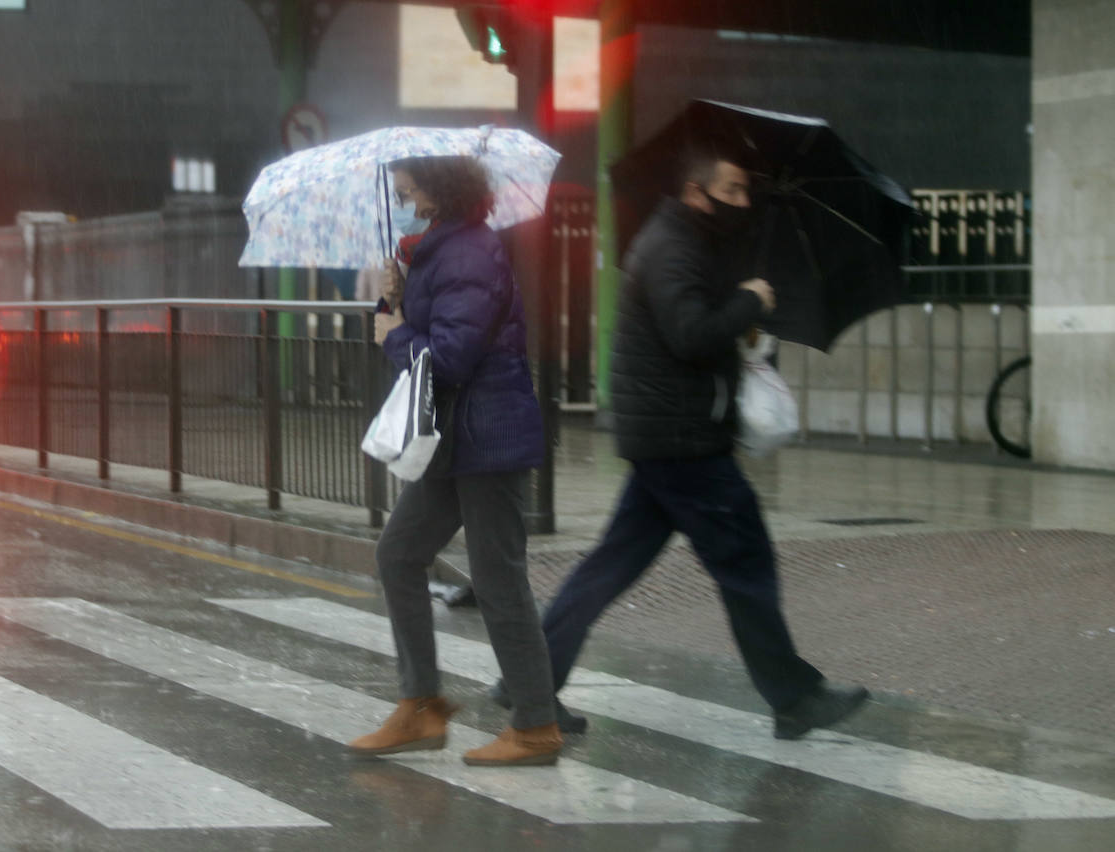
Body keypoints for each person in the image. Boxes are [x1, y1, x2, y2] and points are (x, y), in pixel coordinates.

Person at [493, 145, 869, 740]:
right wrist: (748, 300)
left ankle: (526, 685)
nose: (744, 201)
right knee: (746, 563)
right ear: (698, 192)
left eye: (748, 191)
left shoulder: (687, 243)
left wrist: (742, 308)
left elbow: (696, 327)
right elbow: (690, 335)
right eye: (735, 190)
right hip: (683, 441)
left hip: (666, 436)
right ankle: (795, 697)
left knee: (608, 569)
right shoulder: (672, 247)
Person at [346, 156, 563, 766]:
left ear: (438, 183)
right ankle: (421, 705)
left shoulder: (469, 252)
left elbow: (452, 356)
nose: (401, 192)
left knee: (498, 578)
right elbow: (421, 337)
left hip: (485, 439)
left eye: (407, 181)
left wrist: (394, 333)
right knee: (399, 553)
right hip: (454, 441)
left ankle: (536, 725)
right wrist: (394, 301)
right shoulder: (439, 249)